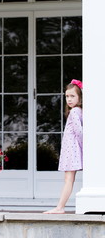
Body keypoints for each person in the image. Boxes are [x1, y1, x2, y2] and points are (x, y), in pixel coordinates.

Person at [44, 79, 83, 214]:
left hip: (72, 149)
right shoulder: (77, 111)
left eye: (73, 96)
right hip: (71, 149)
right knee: (69, 178)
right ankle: (60, 206)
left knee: (68, 179)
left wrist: (83, 149)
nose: (69, 99)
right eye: (67, 96)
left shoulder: (74, 112)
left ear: (80, 97)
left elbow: (79, 132)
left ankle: (60, 207)